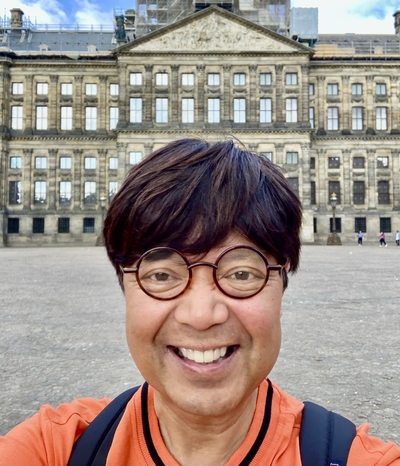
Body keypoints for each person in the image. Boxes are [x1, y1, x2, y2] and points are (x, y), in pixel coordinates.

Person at [1, 138, 400, 466]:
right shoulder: (57, 448)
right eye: (162, 275)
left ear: (282, 284)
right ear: (125, 286)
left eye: (241, 274)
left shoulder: (350, 458)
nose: (201, 315)